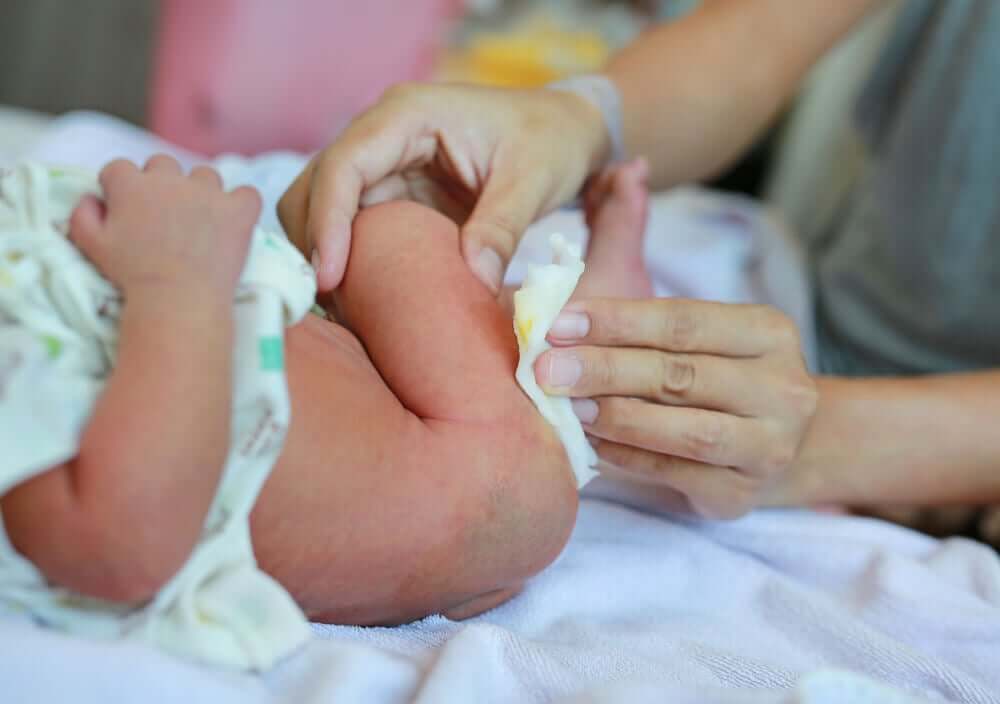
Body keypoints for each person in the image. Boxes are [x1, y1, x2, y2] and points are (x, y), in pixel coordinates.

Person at [279, 0, 1000, 524]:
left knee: (513, 375)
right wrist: (578, 121)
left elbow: (504, 515)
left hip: (829, 409)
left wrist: (834, 441)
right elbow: (757, 38)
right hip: (781, 306)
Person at [0, 152, 656, 661]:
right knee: (396, 237)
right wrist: (174, 282)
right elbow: (125, 545)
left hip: (323, 337)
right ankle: (590, 332)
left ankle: (579, 315)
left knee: (376, 240)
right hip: (479, 478)